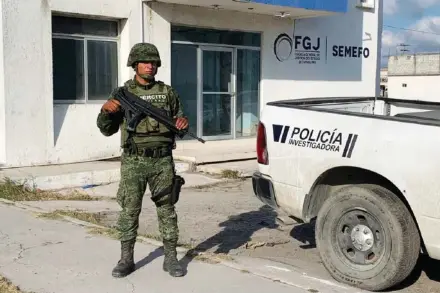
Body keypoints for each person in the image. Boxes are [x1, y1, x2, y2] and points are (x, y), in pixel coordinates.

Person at [96, 42, 189, 278]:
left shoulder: (168, 93)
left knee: (167, 210)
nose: (150, 66)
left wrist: (182, 124)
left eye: (154, 62)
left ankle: (171, 258)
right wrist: (106, 112)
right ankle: (126, 259)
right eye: (145, 62)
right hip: (133, 161)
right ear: (135, 64)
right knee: (129, 210)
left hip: (162, 161)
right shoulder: (123, 93)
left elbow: (180, 123)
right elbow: (106, 130)